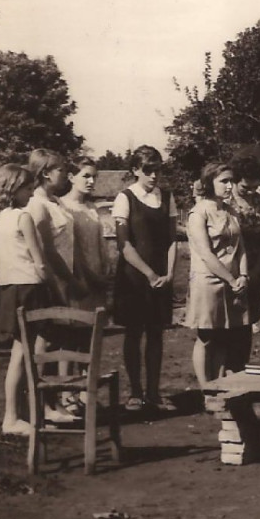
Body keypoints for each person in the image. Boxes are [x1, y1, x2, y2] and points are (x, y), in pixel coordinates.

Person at [0, 165, 55, 434]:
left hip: (8, 289)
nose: (30, 193)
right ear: (13, 190)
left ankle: (25, 412)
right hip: (30, 288)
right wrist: (53, 287)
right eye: (27, 188)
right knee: (26, 353)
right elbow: (39, 262)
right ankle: (13, 417)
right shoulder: (22, 217)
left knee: (21, 352)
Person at [112, 145, 177, 412]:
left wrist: (169, 274)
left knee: (156, 334)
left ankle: (153, 392)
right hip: (134, 278)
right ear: (136, 170)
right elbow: (124, 245)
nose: (153, 176)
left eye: (157, 170)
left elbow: (172, 240)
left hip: (162, 276)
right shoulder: (125, 197)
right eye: (148, 170)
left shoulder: (167, 196)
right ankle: (135, 393)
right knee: (134, 333)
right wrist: (149, 274)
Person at [186, 163, 249, 388]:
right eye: (223, 181)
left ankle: (219, 384)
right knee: (207, 336)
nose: (229, 186)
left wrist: (243, 275)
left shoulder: (230, 211)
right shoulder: (199, 212)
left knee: (224, 334)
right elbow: (205, 253)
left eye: (231, 181)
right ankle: (205, 388)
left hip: (232, 282)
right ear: (209, 183)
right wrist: (232, 280)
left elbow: (240, 247)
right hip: (208, 281)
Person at [226, 155, 260, 367]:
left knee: (248, 322)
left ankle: (240, 367)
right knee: (231, 322)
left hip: (257, 266)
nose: (251, 192)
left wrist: (258, 267)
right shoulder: (228, 204)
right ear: (235, 182)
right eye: (246, 187)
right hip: (234, 266)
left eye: (255, 187)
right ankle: (227, 369)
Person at [26, 149, 83, 307]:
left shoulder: (57, 201)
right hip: (52, 281)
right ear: (46, 173)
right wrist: (71, 282)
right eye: (61, 170)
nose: (66, 174)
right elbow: (46, 250)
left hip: (66, 276)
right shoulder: (36, 204)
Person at [60, 158, 110, 310]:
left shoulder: (92, 207)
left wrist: (105, 269)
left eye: (94, 177)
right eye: (86, 176)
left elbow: (100, 243)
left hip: (97, 275)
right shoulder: (62, 206)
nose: (91, 181)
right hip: (77, 276)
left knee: (96, 325)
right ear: (71, 177)